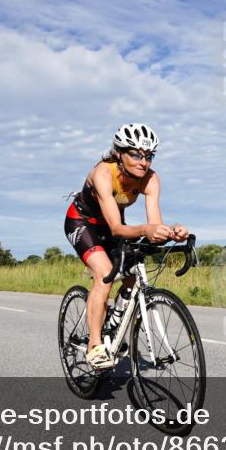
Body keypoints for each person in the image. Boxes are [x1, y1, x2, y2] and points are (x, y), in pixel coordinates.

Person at [64, 123, 188, 369]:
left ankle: (114, 323)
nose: (144, 162)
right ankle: (95, 346)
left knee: (131, 276)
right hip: (83, 223)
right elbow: (116, 230)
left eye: (149, 156)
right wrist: (146, 230)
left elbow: (154, 227)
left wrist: (172, 232)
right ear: (119, 153)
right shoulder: (103, 173)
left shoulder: (151, 180)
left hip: (115, 223)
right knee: (104, 276)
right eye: (136, 154)